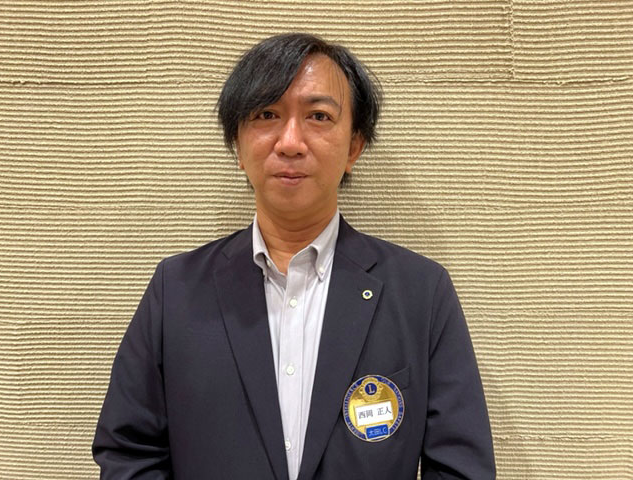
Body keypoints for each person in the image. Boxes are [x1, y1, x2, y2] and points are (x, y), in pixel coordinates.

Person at [93, 33, 496, 479]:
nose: (290, 142)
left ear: (354, 146)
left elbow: (460, 466)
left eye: (318, 116)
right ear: (238, 145)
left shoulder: (421, 293)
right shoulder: (176, 290)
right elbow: (128, 451)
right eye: (266, 114)